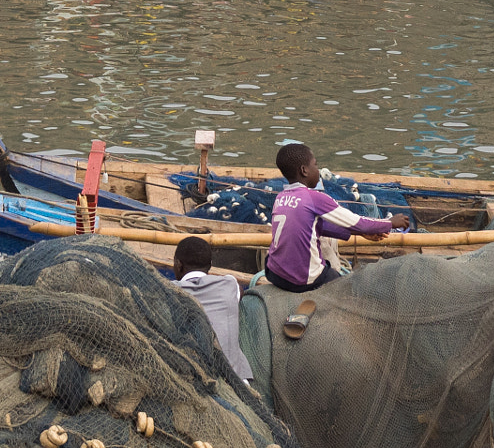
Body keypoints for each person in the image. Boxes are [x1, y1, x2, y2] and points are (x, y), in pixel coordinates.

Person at [263, 143, 409, 292]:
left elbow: (317, 226)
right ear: (304, 170)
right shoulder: (314, 198)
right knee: (342, 286)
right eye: (315, 165)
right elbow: (357, 222)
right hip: (302, 280)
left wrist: (360, 233)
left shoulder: (280, 198)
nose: (318, 171)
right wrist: (389, 223)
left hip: (274, 273)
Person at [173, 237, 251, 380]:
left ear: (178, 265)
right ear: (210, 265)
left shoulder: (168, 290)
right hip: (234, 382)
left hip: (189, 379)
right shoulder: (230, 284)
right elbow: (240, 291)